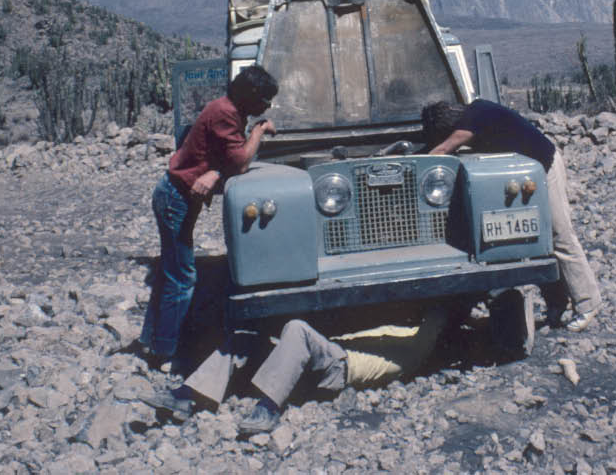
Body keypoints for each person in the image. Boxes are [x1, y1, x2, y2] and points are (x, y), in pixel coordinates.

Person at [140, 65, 278, 373]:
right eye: (265, 99)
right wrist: (258, 132)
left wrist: (215, 170)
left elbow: (220, 156)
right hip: (175, 198)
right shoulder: (226, 114)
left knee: (172, 272)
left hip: (176, 197)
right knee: (183, 278)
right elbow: (240, 162)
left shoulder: (226, 110)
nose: (267, 106)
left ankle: (155, 341)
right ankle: (164, 352)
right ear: (251, 96)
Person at [421, 99, 603, 332]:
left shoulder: (470, 121)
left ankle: (589, 303)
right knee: (540, 240)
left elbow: (443, 150)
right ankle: (557, 303)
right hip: (529, 169)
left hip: (545, 165)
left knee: (560, 234)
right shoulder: (477, 110)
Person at [144, 304, 449, 436]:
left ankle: (268, 409)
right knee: (244, 339)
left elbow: (437, 319)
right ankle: (187, 394)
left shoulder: (416, 346)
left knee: (297, 329)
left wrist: (445, 307)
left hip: (339, 369)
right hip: (325, 355)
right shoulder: (395, 327)